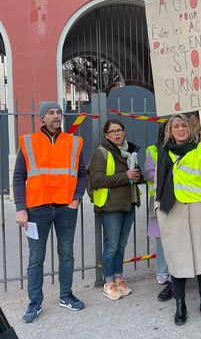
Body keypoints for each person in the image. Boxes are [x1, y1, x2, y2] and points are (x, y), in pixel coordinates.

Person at [13, 101, 87, 323]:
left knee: (67, 254)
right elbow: (19, 178)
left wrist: (76, 199)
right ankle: (34, 302)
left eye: (59, 112)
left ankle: (66, 295)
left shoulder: (74, 142)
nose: (56, 115)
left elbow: (82, 173)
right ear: (42, 118)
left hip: (66, 209)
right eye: (51, 112)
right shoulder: (29, 142)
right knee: (36, 258)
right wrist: (21, 209)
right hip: (36, 210)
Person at [155, 114, 201, 325]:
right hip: (173, 211)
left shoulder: (198, 148)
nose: (180, 129)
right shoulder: (163, 151)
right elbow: (159, 182)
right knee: (178, 261)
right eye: (176, 126)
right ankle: (180, 303)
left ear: (189, 128)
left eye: (184, 125)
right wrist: (158, 209)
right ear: (169, 130)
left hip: (199, 210)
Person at [88, 120, 142, 300]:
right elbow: (97, 180)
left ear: (124, 132)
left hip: (129, 203)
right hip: (110, 205)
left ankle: (119, 278)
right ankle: (109, 282)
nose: (116, 134)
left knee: (121, 245)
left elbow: (137, 174)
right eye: (112, 131)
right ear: (106, 135)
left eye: (119, 130)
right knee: (111, 246)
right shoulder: (101, 153)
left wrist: (137, 176)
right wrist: (125, 177)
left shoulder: (130, 152)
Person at [144, 124, 174, 301]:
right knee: (160, 238)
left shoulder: (180, 149)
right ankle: (162, 270)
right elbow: (148, 173)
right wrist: (167, 173)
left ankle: (175, 271)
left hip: (177, 198)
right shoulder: (152, 150)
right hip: (158, 199)